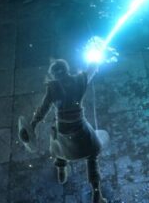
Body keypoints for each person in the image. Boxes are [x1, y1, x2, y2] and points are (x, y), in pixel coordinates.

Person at [20, 58, 105, 202]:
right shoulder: (79, 80)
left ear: (54, 75)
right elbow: (91, 70)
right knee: (92, 154)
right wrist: (95, 59)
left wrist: (33, 124)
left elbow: (44, 108)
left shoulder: (53, 87)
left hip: (63, 129)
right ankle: (96, 192)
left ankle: (61, 168)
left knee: (58, 147)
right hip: (80, 126)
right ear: (66, 70)